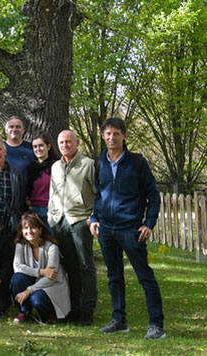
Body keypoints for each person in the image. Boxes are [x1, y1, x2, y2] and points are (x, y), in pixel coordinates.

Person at [90, 117, 165, 339]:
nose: (112, 138)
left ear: (124, 136)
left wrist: (149, 223)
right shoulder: (99, 163)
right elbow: (98, 195)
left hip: (131, 229)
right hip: (106, 230)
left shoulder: (137, 162)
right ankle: (119, 320)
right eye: (108, 134)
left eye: (116, 133)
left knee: (145, 277)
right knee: (114, 277)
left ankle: (157, 325)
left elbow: (153, 194)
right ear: (103, 136)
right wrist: (94, 217)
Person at [48, 130, 97, 325]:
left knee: (85, 265)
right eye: (61, 142)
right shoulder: (56, 167)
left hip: (79, 220)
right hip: (59, 222)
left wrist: (92, 217)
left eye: (69, 142)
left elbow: (98, 192)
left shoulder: (88, 165)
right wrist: (52, 216)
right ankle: (74, 307)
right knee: (70, 266)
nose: (65, 145)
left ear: (77, 143)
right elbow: (52, 192)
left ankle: (88, 308)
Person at [10, 213, 70, 324]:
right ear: (22, 231)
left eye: (33, 227)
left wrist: (29, 290)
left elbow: (51, 277)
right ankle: (24, 311)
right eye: (26, 228)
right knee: (17, 279)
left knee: (36, 299)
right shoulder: (20, 245)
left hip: (53, 285)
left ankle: (50, 314)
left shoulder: (52, 247)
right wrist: (40, 271)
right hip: (36, 281)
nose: (29, 231)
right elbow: (17, 267)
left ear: (40, 230)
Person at [25, 133, 59, 226]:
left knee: (53, 240)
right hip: (34, 211)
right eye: (35, 146)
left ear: (48, 147)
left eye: (41, 145)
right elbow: (26, 190)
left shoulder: (57, 166)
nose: (38, 149)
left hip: (52, 211)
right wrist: (30, 207)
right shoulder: (30, 168)